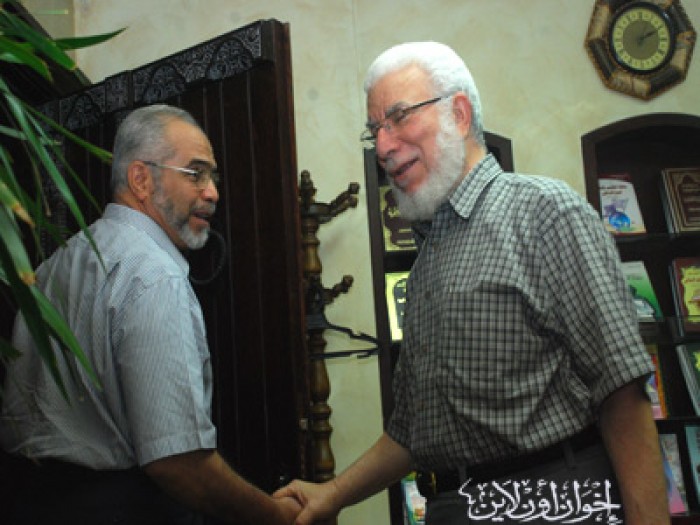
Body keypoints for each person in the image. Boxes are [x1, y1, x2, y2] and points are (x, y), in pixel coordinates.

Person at [275, 42, 669, 524]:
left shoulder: (545, 213)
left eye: (399, 117)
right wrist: (332, 495)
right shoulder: (427, 260)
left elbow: (621, 392)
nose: (382, 147)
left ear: (458, 114)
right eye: (374, 130)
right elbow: (413, 434)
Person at [0, 104, 300, 525]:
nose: (212, 192)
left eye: (213, 177)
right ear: (141, 179)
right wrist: (276, 516)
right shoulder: (155, 277)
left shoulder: (55, 266)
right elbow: (178, 464)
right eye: (195, 174)